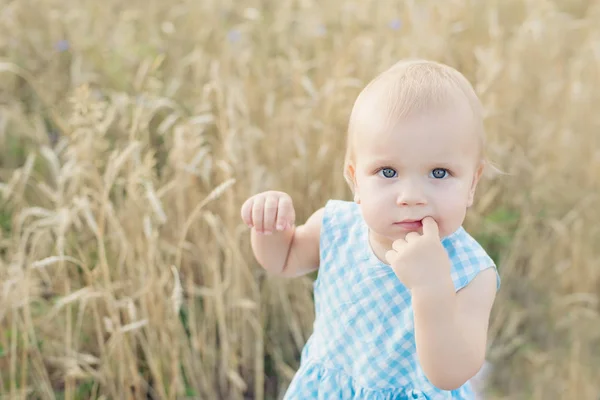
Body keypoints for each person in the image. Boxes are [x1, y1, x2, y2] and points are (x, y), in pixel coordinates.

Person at [240, 59, 501, 399]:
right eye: (388, 172)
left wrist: (431, 287)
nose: (410, 197)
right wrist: (269, 227)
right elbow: (283, 260)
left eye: (439, 173)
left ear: (472, 183)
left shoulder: (470, 271)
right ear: (355, 179)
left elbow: (449, 374)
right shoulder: (337, 226)